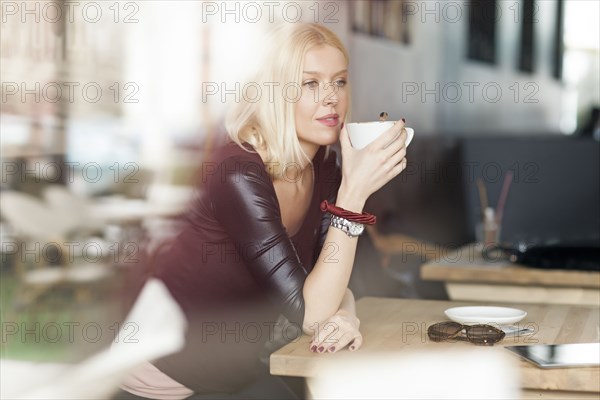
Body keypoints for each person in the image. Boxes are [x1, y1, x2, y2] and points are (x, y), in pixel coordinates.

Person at [116, 22, 409, 400]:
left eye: (339, 81)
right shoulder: (238, 173)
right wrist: (353, 197)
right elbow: (311, 315)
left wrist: (345, 317)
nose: (331, 98)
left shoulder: (325, 168)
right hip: (164, 385)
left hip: (237, 374)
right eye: (310, 84)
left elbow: (328, 287)